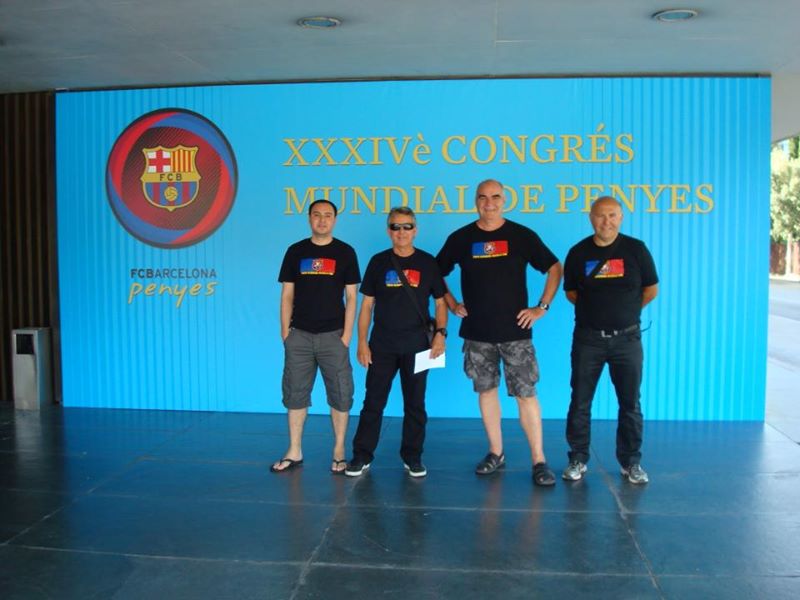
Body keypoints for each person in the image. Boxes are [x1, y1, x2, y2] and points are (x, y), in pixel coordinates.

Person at [436, 179, 562, 486]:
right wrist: (452, 303)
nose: (489, 203)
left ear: (504, 200)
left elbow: (555, 267)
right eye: (482, 197)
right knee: (486, 391)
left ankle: (539, 460)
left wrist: (541, 307)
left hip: (516, 332)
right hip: (477, 333)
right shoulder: (461, 238)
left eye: (495, 197)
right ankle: (496, 452)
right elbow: (435, 273)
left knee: (526, 395)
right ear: (475, 201)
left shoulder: (521, 235)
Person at [561, 196, 658, 484]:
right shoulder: (578, 253)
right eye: (601, 215)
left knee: (630, 404)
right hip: (588, 339)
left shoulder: (636, 250)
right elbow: (571, 293)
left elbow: (651, 289)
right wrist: (598, 313)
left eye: (612, 215)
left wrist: (625, 313)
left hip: (627, 341)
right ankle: (578, 459)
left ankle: (631, 462)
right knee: (580, 401)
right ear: (591, 218)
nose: (607, 221)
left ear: (621, 217)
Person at [345, 207, 447, 478]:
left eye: (406, 226)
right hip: (382, 346)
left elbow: (440, 303)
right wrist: (362, 342)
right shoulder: (378, 262)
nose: (401, 232)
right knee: (373, 402)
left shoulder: (428, 263)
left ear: (415, 230)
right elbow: (367, 306)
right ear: (388, 230)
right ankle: (361, 455)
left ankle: (413, 456)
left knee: (415, 404)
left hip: (418, 346)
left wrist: (440, 334)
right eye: (395, 226)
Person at [271, 199, 360, 474]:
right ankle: (294, 450)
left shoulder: (345, 252)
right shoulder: (295, 251)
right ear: (309, 218)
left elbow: (352, 297)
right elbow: (287, 294)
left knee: (341, 394)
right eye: (317, 215)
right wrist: (285, 332)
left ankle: (339, 451)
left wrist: (347, 336)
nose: (322, 220)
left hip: (334, 336)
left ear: (335, 220)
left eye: (328, 215)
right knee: (295, 393)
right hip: (299, 336)